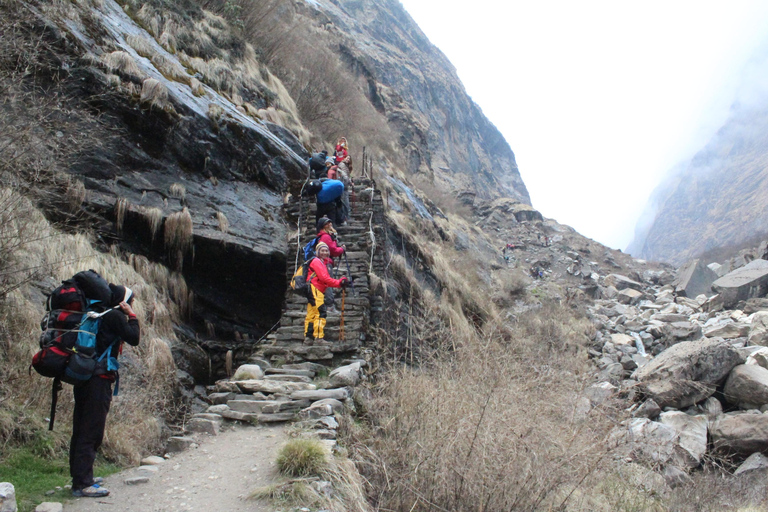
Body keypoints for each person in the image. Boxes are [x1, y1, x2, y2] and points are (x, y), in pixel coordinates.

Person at [70, 284, 140, 498]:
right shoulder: (116, 316)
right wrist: (132, 315)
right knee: (92, 431)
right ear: (123, 301)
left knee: (81, 427)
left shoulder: (98, 314)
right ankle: (83, 484)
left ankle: (79, 478)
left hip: (84, 376)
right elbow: (134, 338)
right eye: (131, 301)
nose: (131, 305)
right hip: (98, 380)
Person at [304, 242, 349, 345]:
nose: (325, 252)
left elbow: (325, 279)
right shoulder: (317, 262)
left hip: (312, 289)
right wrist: (338, 283)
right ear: (317, 252)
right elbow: (324, 278)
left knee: (312, 314)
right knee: (321, 312)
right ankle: (319, 338)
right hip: (315, 289)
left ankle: (308, 338)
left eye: (326, 250)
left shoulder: (320, 262)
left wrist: (338, 283)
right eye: (322, 250)